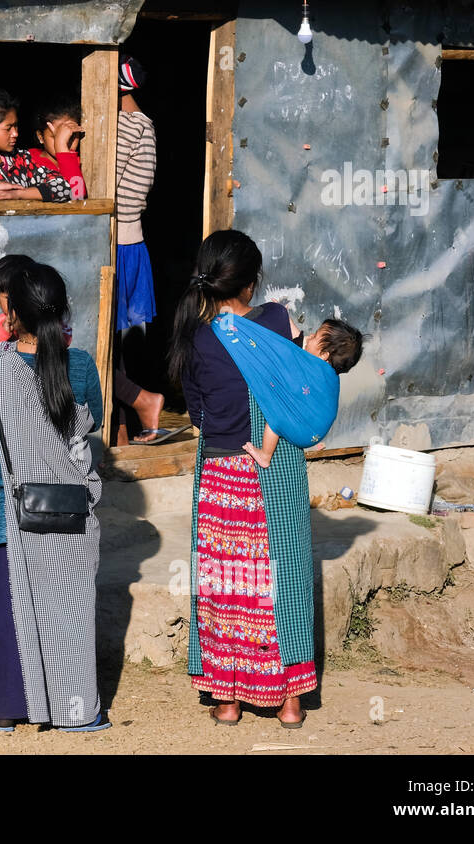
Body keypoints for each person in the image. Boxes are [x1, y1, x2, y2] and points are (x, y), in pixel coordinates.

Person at [168, 229, 316, 727]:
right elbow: (299, 386)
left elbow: (197, 415)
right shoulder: (277, 320)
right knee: (285, 578)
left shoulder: (194, 335)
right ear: (251, 284)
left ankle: (228, 701)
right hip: (274, 470)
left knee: (227, 586)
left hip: (221, 472)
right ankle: (289, 702)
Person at [0, 261, 109, 733]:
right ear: (63, 309)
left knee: (11, 615)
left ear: (12, 311)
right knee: (68, 617)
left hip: (7, 510)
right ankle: (76, 711)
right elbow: (94, 426)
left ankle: (8, 709)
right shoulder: (83, 365)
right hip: (69, 513)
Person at [113, 57, 168, 443]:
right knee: (120, 346)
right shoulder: (145, 126)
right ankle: (123, 429)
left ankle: (138, 405)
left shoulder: (123, 126)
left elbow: (102, 186)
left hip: (116, 244)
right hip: (133, 243)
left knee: (102, 345)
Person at [236, 318, 364, 468]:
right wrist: (284, 315)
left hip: (304, 430)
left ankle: (265, 455)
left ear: (324, 355)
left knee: (276, 416)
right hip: (317, 427)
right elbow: (300, 341)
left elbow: (294, 350)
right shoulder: (327, 372)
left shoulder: (312, 369)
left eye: (315, 336)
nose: (310, 336)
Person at [29, 97, 86, 200]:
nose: (65, 142)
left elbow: (78, 195)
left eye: (72, 136)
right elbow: (76, 194)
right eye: (56, 137)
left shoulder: (81, 162)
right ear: (40, 137)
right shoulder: (28, 162)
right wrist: (60, 145)